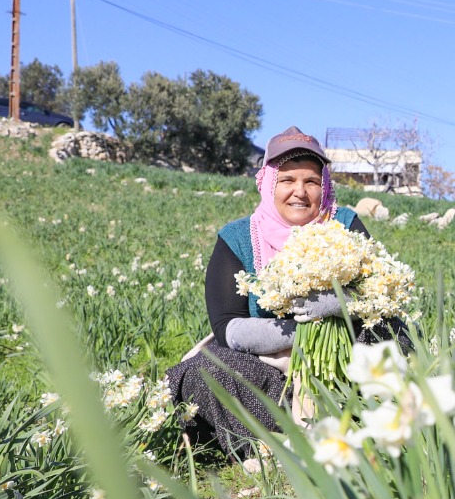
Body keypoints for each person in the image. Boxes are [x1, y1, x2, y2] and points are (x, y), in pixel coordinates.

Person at [166, 126, 400, 456]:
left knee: (394, 336)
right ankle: (268, 446)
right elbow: (226, 327)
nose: (299, 192)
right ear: (268, 183)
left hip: (345, 368)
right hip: (273, 375)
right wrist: (301, 331)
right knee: (205, 373)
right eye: (287, 180)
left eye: (312, 181)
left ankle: (360, 426)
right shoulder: (238, 239)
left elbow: (379, 293)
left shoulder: (344, 225)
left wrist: (339, 302)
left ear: (326, 186)